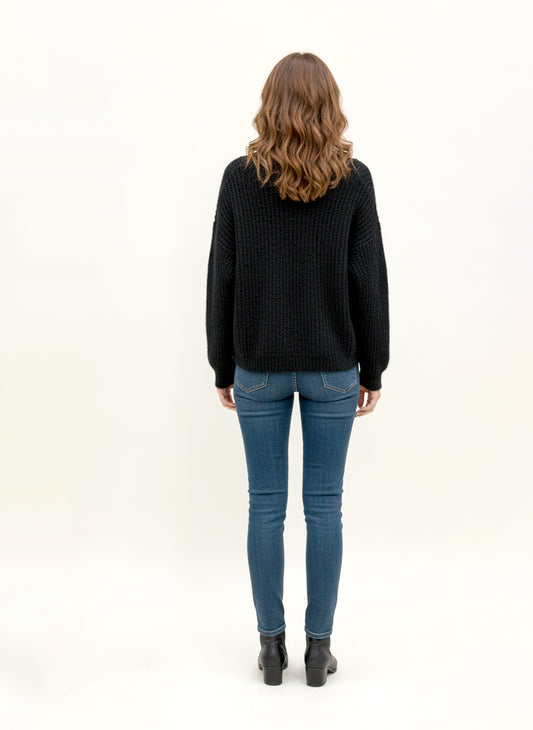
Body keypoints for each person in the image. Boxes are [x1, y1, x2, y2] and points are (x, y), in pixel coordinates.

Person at [205, 51, 390, 687]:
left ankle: (269, 649)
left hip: (257, 364)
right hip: (334, 366)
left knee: (264, 506)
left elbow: (221, 278)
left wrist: (221, 363)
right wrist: (374, 367)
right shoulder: (355, 180)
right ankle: (318, 650)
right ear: (330, 106)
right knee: (324, 508)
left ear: (270, 105)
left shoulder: (239, 179)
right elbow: (369, 280)